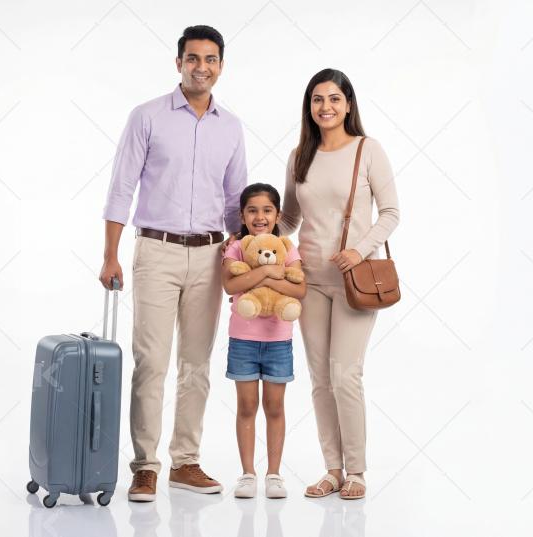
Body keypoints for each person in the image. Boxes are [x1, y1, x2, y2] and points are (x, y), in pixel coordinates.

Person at [99, 25, 247, 502]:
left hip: (210, 253)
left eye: (210, 59)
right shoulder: (147, 117)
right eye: (192, 58)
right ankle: (145, 466)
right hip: (156, 250)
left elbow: (234, 202)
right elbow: (122, 187)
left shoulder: (231, 126)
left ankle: (186, 462)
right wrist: (110, 254)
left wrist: (243, 259)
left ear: (221, 65)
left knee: (197, 364)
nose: (201, 67)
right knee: (151, 362)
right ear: (178, 62)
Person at [280, 68, 400, 499]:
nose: (325, 107)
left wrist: (360, 250)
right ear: (308, 107)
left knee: (345, 374)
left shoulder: (368, 150)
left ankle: (358, 472)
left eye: (334, 98)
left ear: (348, 104)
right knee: (319, 378)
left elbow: (390, 213)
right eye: (317, 99)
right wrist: (255, 230)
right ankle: (332, 469)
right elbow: (290, 219)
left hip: (355, 282)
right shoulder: (299, 156)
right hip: (309, 281)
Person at [221, 183, 306, 499]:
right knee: (246, 406)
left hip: (278, 342)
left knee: (274, 406)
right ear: (242, 214)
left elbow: (299, 290)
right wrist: (271, 275)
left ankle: (274, 473)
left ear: (278, 214)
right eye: (252, 210)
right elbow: (231, 285)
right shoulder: (236, 248)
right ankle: (247, 473)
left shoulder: (287, 247)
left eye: (267, 210)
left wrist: (258, 277)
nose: (259, 216)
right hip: (243, 339)